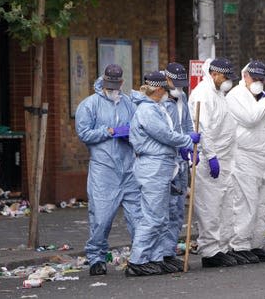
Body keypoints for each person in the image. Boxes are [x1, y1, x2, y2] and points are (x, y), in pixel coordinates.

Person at [126, 71, 200, 276]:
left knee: (161, 216)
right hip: (153, 166)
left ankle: (155, 257)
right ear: (158, 89)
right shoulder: (147, 111)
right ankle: (137, 260)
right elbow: (164, 134)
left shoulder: (155, 107)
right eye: (165, 89)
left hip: (161, 165)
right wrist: (188, 140)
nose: (168, 93)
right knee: (153, 217)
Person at [75, 64, 139, 276]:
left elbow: (139, 129)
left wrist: (129, 134)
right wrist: (109, 131)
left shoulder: (128, 103)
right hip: (104, 169)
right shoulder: (89, 105)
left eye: (116, 85)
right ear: (103, 80)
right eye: (108, 85)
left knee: (138, 217)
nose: (112, 89)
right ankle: (96, 258)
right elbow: (84, 133)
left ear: (121, 82)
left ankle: (141, 257)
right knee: (101, 218)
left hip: (129, 168)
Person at [226, 61, 265, 264]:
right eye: (255, 78)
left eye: (262, 79)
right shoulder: (235, 96)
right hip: (244, 157)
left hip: (264, 157)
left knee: (261, 204)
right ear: (245, 76)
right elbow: (250, 118)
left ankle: (255, 243)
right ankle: (239, 244)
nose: (259, 82)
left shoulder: (262, 97)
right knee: (246, 202)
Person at [188, 57, 239, 267]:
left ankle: (222, 246)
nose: (228, 81)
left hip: (225, 157)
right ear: (215, 74)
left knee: (225, 204)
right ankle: (210, 250)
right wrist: (211, 156)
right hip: (211, 160)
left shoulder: (219, 94)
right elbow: (203, 128)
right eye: (226, 77)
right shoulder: (202, 94)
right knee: (209, 205)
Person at [161, 62, 194, 267]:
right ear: (166, 80)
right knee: (167, 208)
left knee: (178, 210)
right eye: (175, 83)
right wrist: (182, 142)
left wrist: (192, 144)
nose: (178, 88)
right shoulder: (160, 103)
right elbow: (165, 132)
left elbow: (188, 125)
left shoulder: (182, 98)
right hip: (167, 161)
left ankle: (170, 251)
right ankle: (162, 253)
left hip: (181, 161)